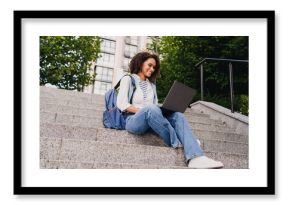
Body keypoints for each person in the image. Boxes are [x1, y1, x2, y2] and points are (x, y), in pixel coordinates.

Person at [116, 51, 224, 169]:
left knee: (177, 115)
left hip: (151, 117)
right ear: (141, 63)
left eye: (154, 67)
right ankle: (182, 142)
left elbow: (154, 105)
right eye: (150, 65)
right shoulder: (128, 79)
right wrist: (145, 111)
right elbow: (122, 104)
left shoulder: (152, 86)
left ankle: (196, 158)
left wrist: (162, 111)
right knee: (151, 109)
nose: (152, 69)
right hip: (132, 120)